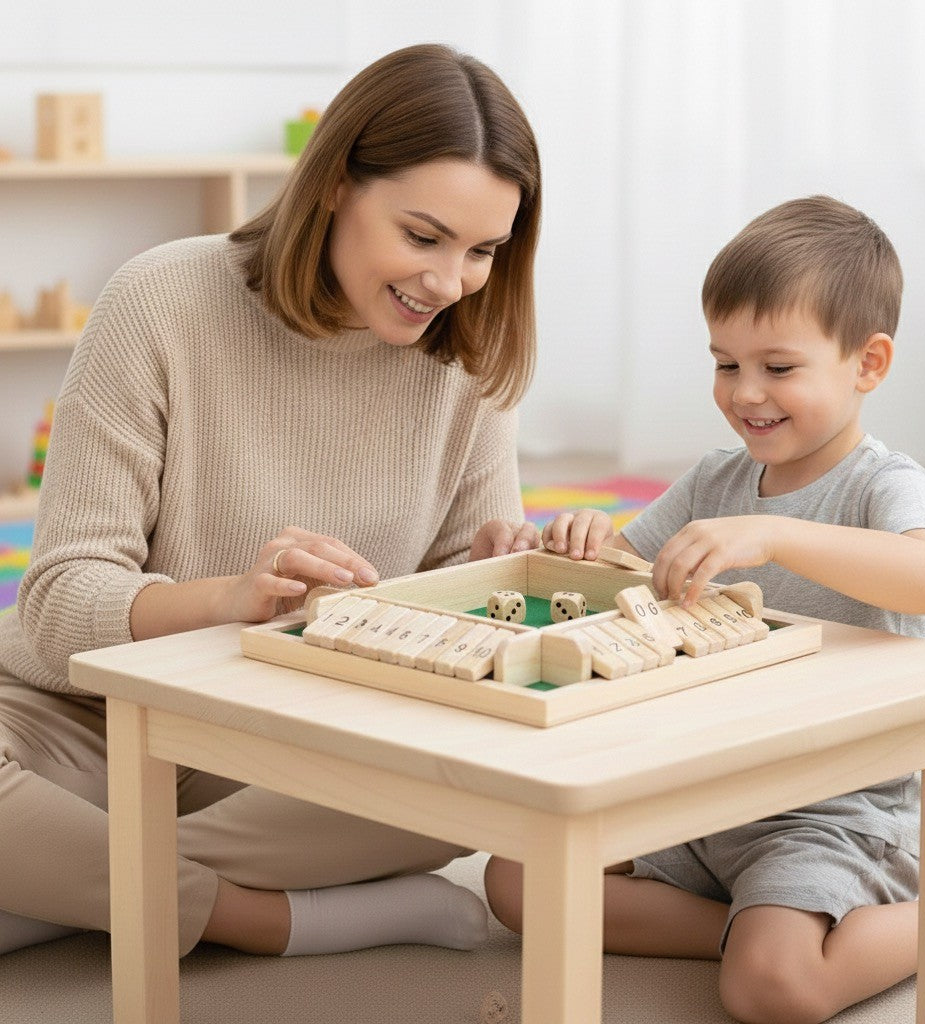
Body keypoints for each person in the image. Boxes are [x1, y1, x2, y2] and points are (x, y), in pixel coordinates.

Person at [0, 43, 542, 960]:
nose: (449, 283)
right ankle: (276, 921)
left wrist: (495, 580)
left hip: (288, 744)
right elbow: (56, 607)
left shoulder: (467, 356)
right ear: (334, 183)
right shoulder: (161, 301)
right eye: (422, 236)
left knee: (486, 787)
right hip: (82, 719)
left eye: (483, 251)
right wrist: (226, 600)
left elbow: (454, 634)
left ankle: (64, 889)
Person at [482, 195, 925, 1024]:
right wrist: (582, 542)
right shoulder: (715, 478)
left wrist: (775, 534)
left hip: (830, 806)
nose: (745, 393)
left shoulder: (885, 482)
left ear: (867, 364)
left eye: (778, 367)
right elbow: (629, 577)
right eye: (725, 363)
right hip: (706, 783)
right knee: (516, 883)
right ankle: (750, 926)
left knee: (772, 991)